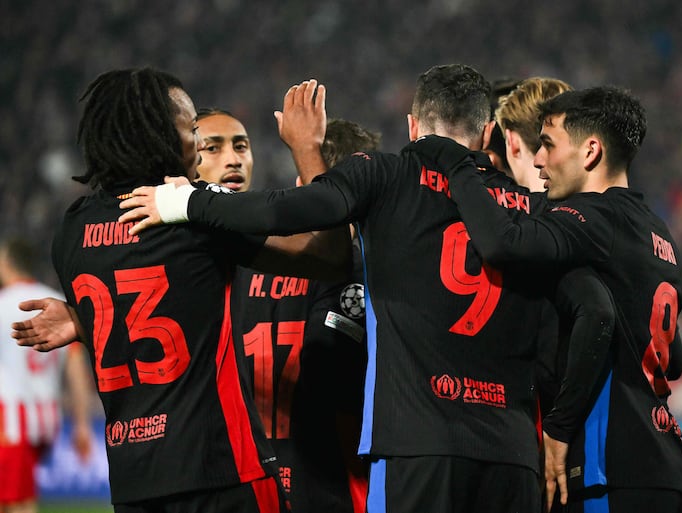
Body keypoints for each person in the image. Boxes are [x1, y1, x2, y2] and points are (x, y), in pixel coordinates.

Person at [118, 64, 547, 513]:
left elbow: (298, 211)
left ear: (412, 125)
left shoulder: (387, 177)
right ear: (487, 133)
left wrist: (187, 200)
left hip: (418, 444)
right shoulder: (532, 211)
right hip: (512, 452)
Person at [15, 67, 351, 513]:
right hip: (222, 469)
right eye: (190, 128)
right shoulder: (189, 210)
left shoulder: (72, 229)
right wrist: (307, 149)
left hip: (134, 481)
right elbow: (329, 255)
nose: (197, 140)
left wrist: (83, 318)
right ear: (157, 133)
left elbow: (143, 293)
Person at [429, 85, 682, 512]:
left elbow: (503, 243)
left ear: (590, 152)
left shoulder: (593, 216)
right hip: (667, 465)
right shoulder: (659, 234)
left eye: (549, 145)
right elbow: (673, 358)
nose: (538, 159)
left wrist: (456, 166)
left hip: (610, 467)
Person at [195, 106, 374, 513]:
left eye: (242, 146)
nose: (234, 158)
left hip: (306, 485)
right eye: (214, 147)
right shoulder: (207, 268)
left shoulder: (268, 260)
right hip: (258, 483)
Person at [0, 236, 93, 513]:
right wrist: (82, 424)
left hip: (10, 420)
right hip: (45, 419)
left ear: (7, 263)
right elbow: (77, 371)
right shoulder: (60, 305)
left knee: (17, 503)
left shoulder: (3, 304)